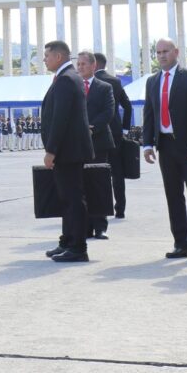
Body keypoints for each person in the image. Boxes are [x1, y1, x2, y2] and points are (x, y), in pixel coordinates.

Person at [141, 38, 187, 262]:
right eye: (158, 52)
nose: (161, 55)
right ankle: (182, 243)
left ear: (176, 52)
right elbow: (149, 114)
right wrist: (147, 143)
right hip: (165, 144)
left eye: (166, 51)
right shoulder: (152, 81)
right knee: (173, 196)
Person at [40, 41, 94, 262]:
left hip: (68, 151)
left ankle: (78, 247)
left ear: (59, 57)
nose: (44, 59)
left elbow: (60, 119)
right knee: (67, 198)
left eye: (47, 56)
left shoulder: (65, 80)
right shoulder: (69, 78)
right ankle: (69, 241)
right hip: (69, 150)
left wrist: (51, 150)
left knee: (73, 199)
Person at [76, 51, 114, 240]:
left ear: (93, 66)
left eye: (84, 64)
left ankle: (100, 226)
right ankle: (84, 226)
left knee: (99, 184)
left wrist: (91, 128)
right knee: (80, 185)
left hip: (98, 141)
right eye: (79, 64)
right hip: (77, 144)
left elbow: (108, 112)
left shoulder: (104, 87)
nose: (80, 67)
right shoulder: (71, 85)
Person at [92, 53, 132, 219]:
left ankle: (101, 209)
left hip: (96, 133)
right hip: (115, 132)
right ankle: (120, 209)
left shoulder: (90, 83)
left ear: (94, 64)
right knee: (117, 172)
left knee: (98, 172)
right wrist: (124, 129)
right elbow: (128, 106)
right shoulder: (115, 81)